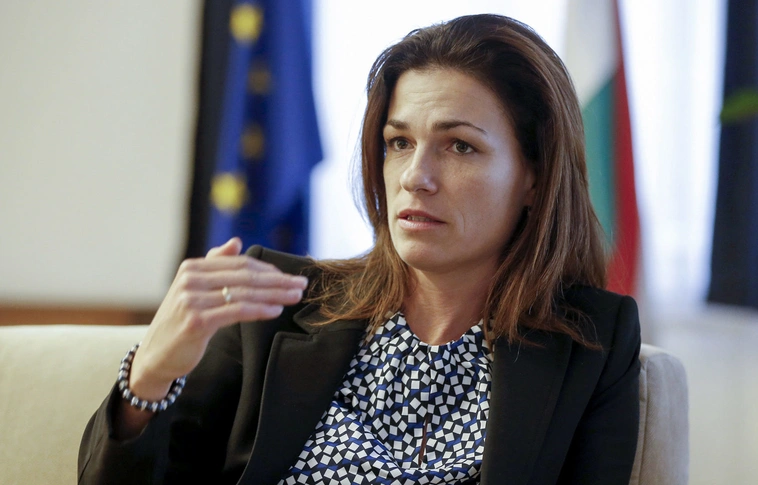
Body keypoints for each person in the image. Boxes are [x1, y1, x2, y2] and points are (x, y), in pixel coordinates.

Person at [79, 13, 640, 485]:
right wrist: (148, 377)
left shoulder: (593, 340)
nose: (415, 176)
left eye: (460, 147)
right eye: (399, 142)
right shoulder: (272, 305)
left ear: (535, 178)